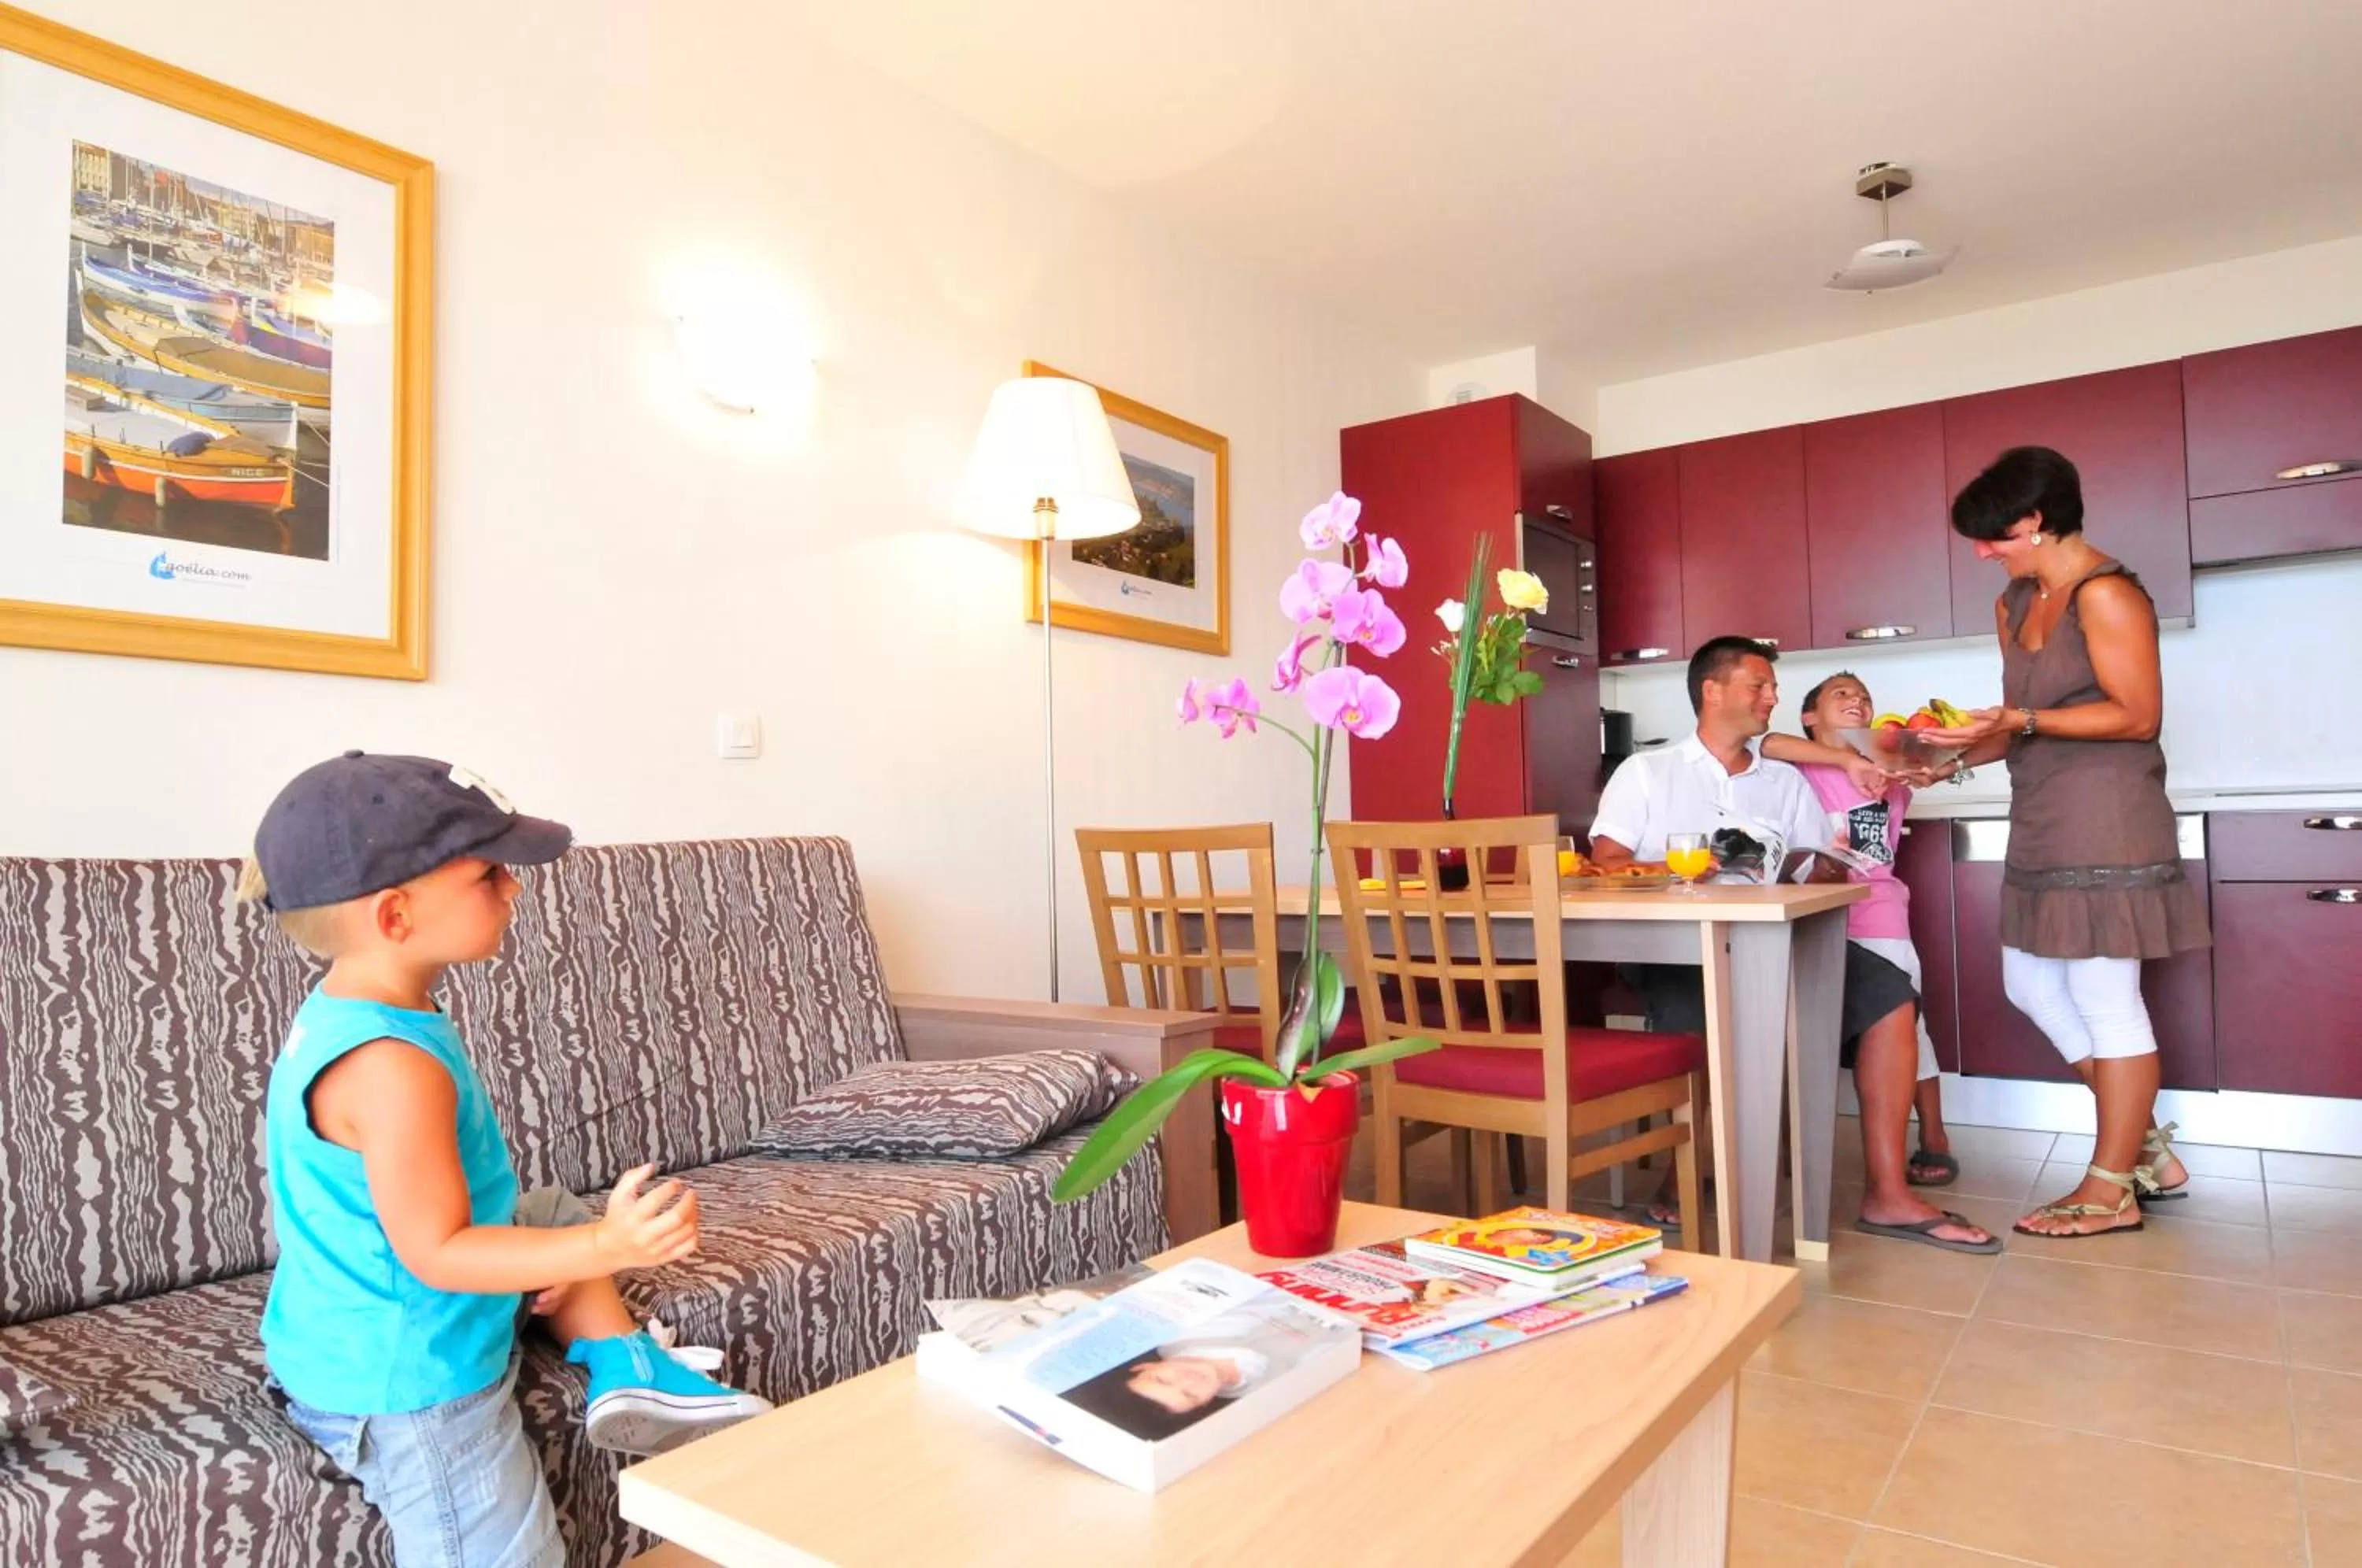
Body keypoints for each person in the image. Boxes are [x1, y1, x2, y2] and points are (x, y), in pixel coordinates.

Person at [243, 752, 772, 1567]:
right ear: (395, 916)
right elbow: (439, 1252)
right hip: (410, 1377)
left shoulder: (360, 1007)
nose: (513, 889)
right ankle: (612, 1341)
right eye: (490, 875)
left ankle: (627, 1365)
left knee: (551, 1209)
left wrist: (564, 1248)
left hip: (350, 1313)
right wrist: (611, 1248)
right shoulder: (390, 1066)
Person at [1931, 446, 2210, 1237]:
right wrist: (1937, 759)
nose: (1983, 552)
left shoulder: (2109, 594)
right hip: (2042, 817)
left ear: (2036, 521)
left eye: (1994, 537)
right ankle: (2147, 1147)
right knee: (2030, 985)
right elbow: (2016, 722)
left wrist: (2014, 722)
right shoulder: (2017, 602)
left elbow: (2136, 715)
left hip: (2110, 819)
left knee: (2103, 999)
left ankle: (2110, 1185)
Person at [1586, 637, 1843, 1226]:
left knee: (1876, 993)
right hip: (1671, 947)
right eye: (1760, 686)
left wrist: (1830, 864)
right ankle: (1692, 1171)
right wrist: (1689, 865)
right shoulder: (1648, 771)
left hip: (1770, 944)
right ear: (1713, 690)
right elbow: (1605, 862)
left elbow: (1809, 866)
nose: (1772, 697)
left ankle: (1812, 1183)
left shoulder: (1785, 782)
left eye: (1772, 688)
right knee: (1704, 1013)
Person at [1777, 672, 1995, 1254]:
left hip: (1880, 916)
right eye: (1841, 695)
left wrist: (1931, 765)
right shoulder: (1797, 768)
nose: (1858, 701)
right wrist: (1843, 761)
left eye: (1865, 697)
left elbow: (1947, 764)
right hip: (1815, 919)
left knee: (1906, 1028)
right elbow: (1764, 743)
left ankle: (1935, 1136)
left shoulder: (1889, 769)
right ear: (1810, 718)